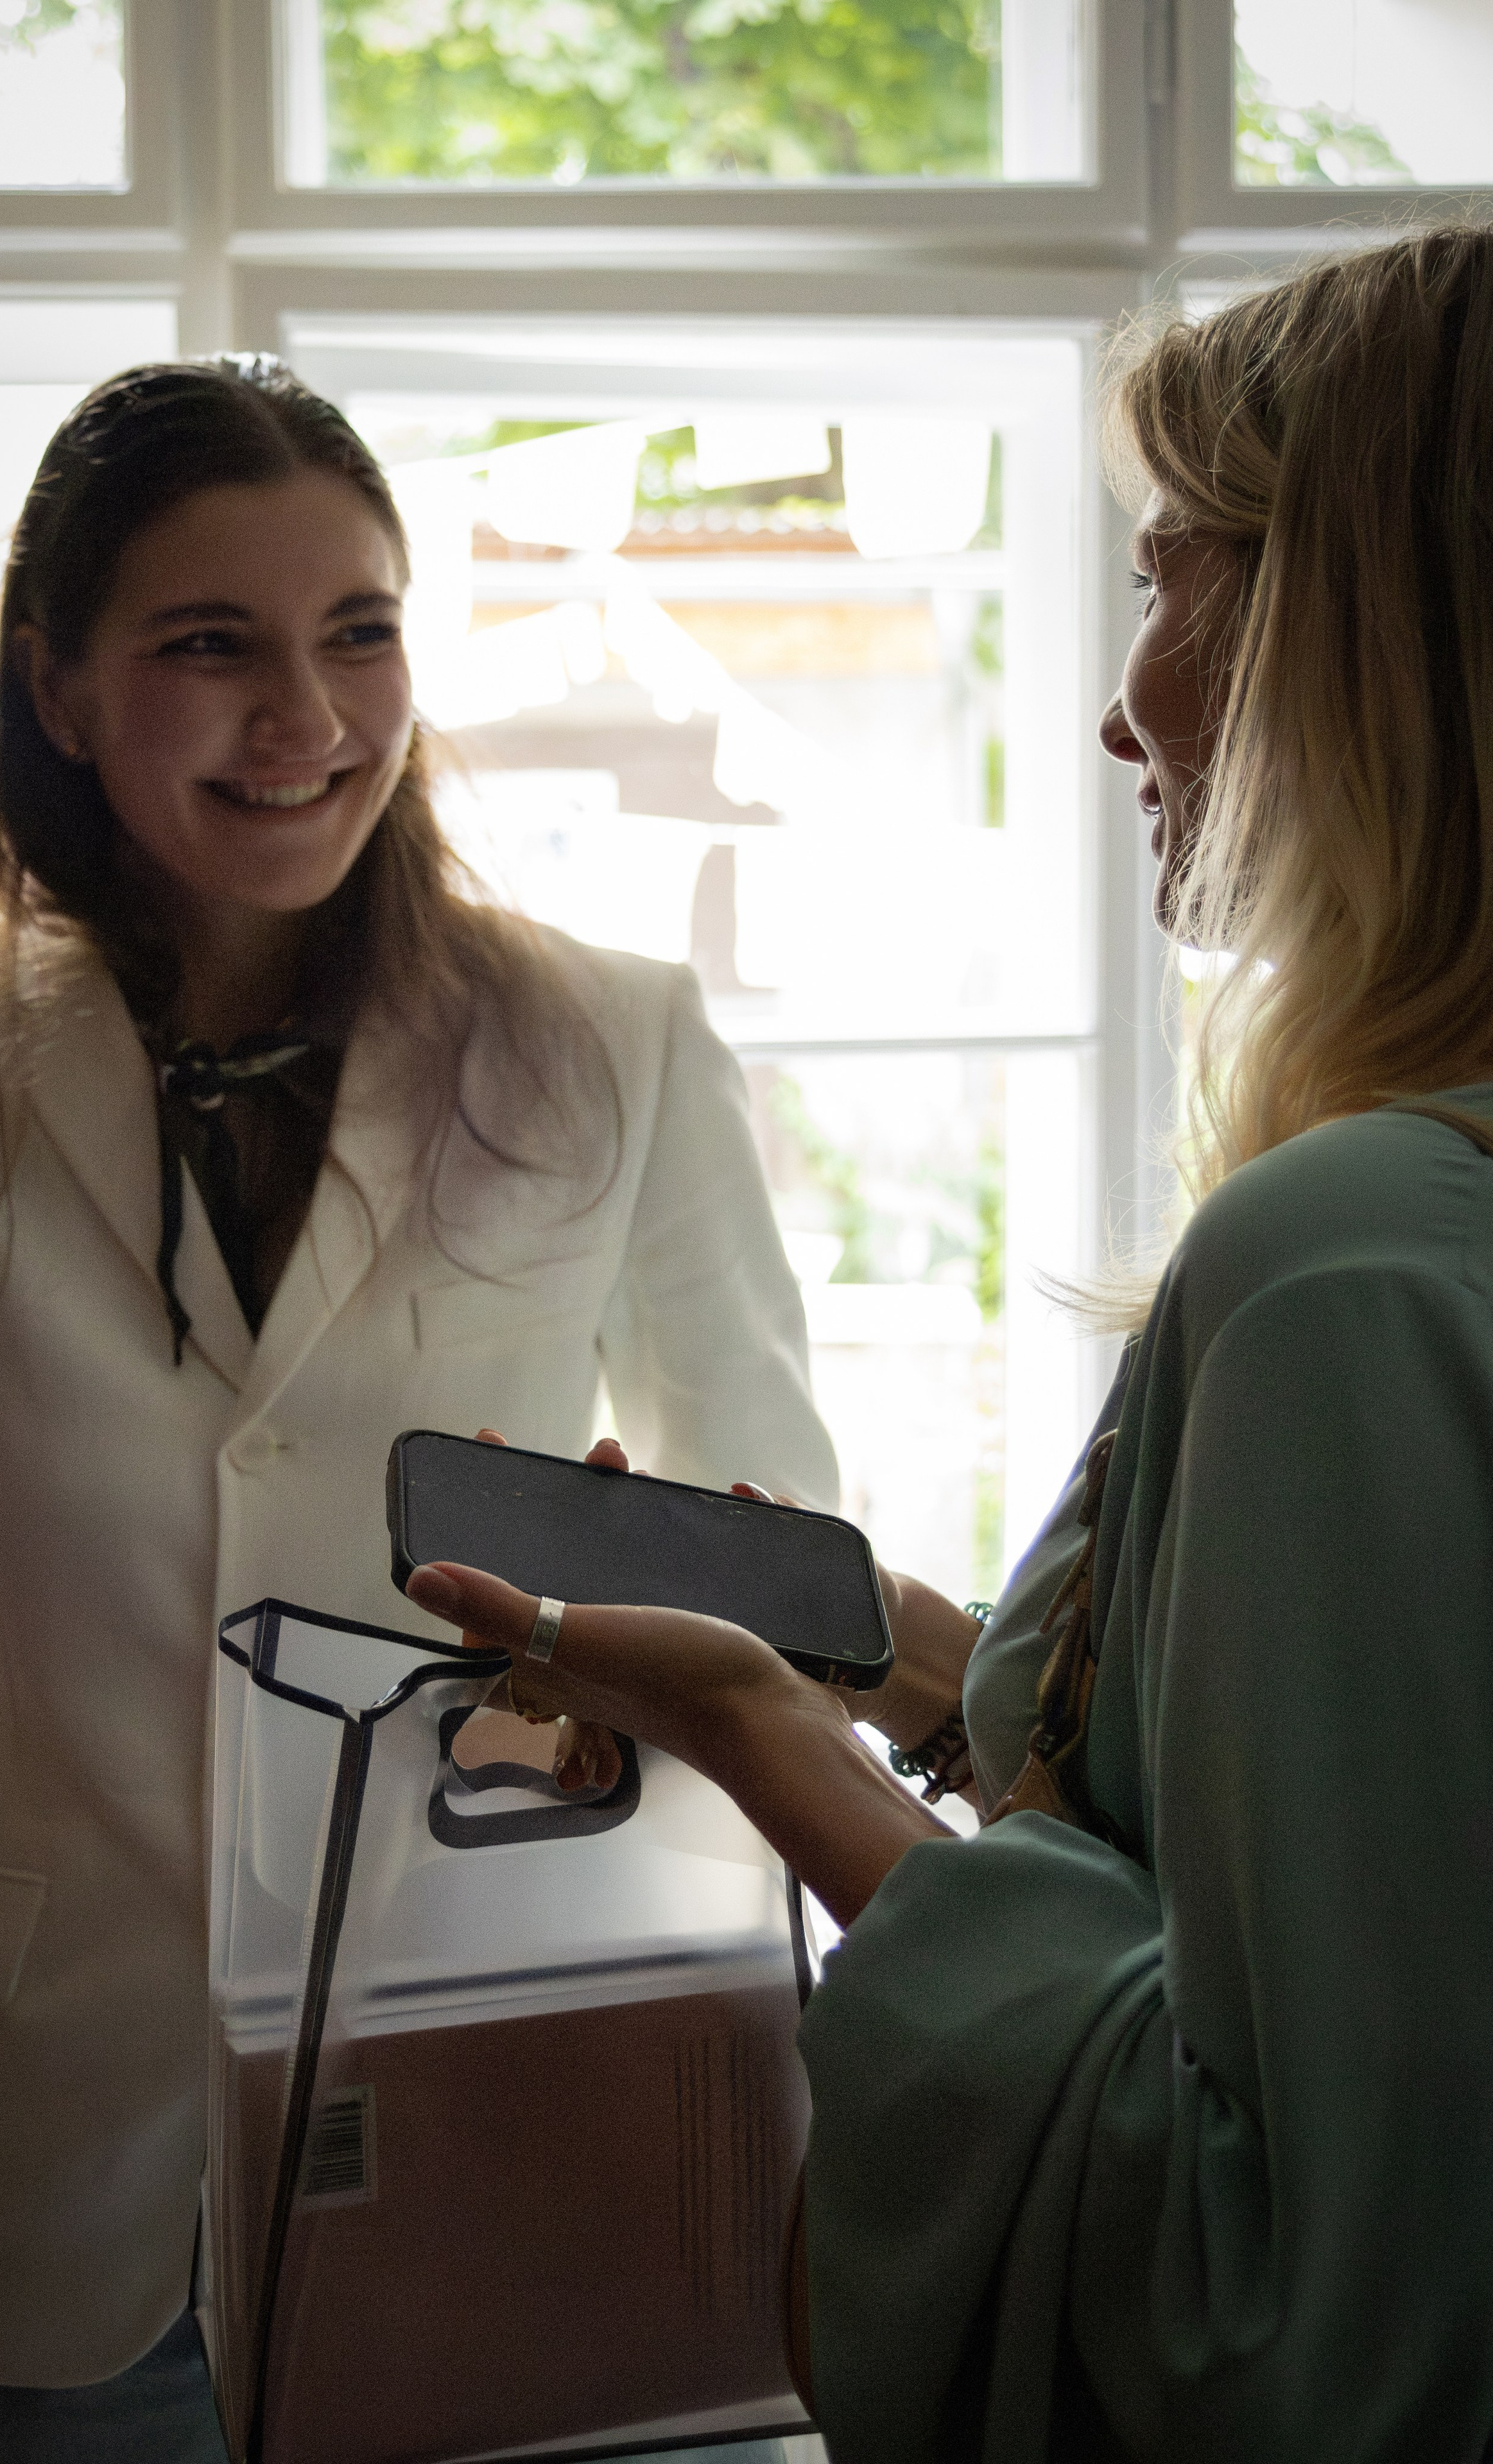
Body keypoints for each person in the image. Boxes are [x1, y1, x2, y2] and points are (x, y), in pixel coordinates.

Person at [405, 223, 1493, 2462]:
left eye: (1173, 579)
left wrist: (752, 1731)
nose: (1118, 701)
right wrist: (908, 1659)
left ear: (1363, 633)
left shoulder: (1340, 1263)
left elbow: (1303, 2302)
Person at [0, 357, 840, 2460]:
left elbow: (782, 1607)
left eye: (359, 632)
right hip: (27, 2147)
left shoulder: (616, 1041)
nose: (304, 719)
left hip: (510, 2096)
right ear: (59, 685)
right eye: (211, 646)